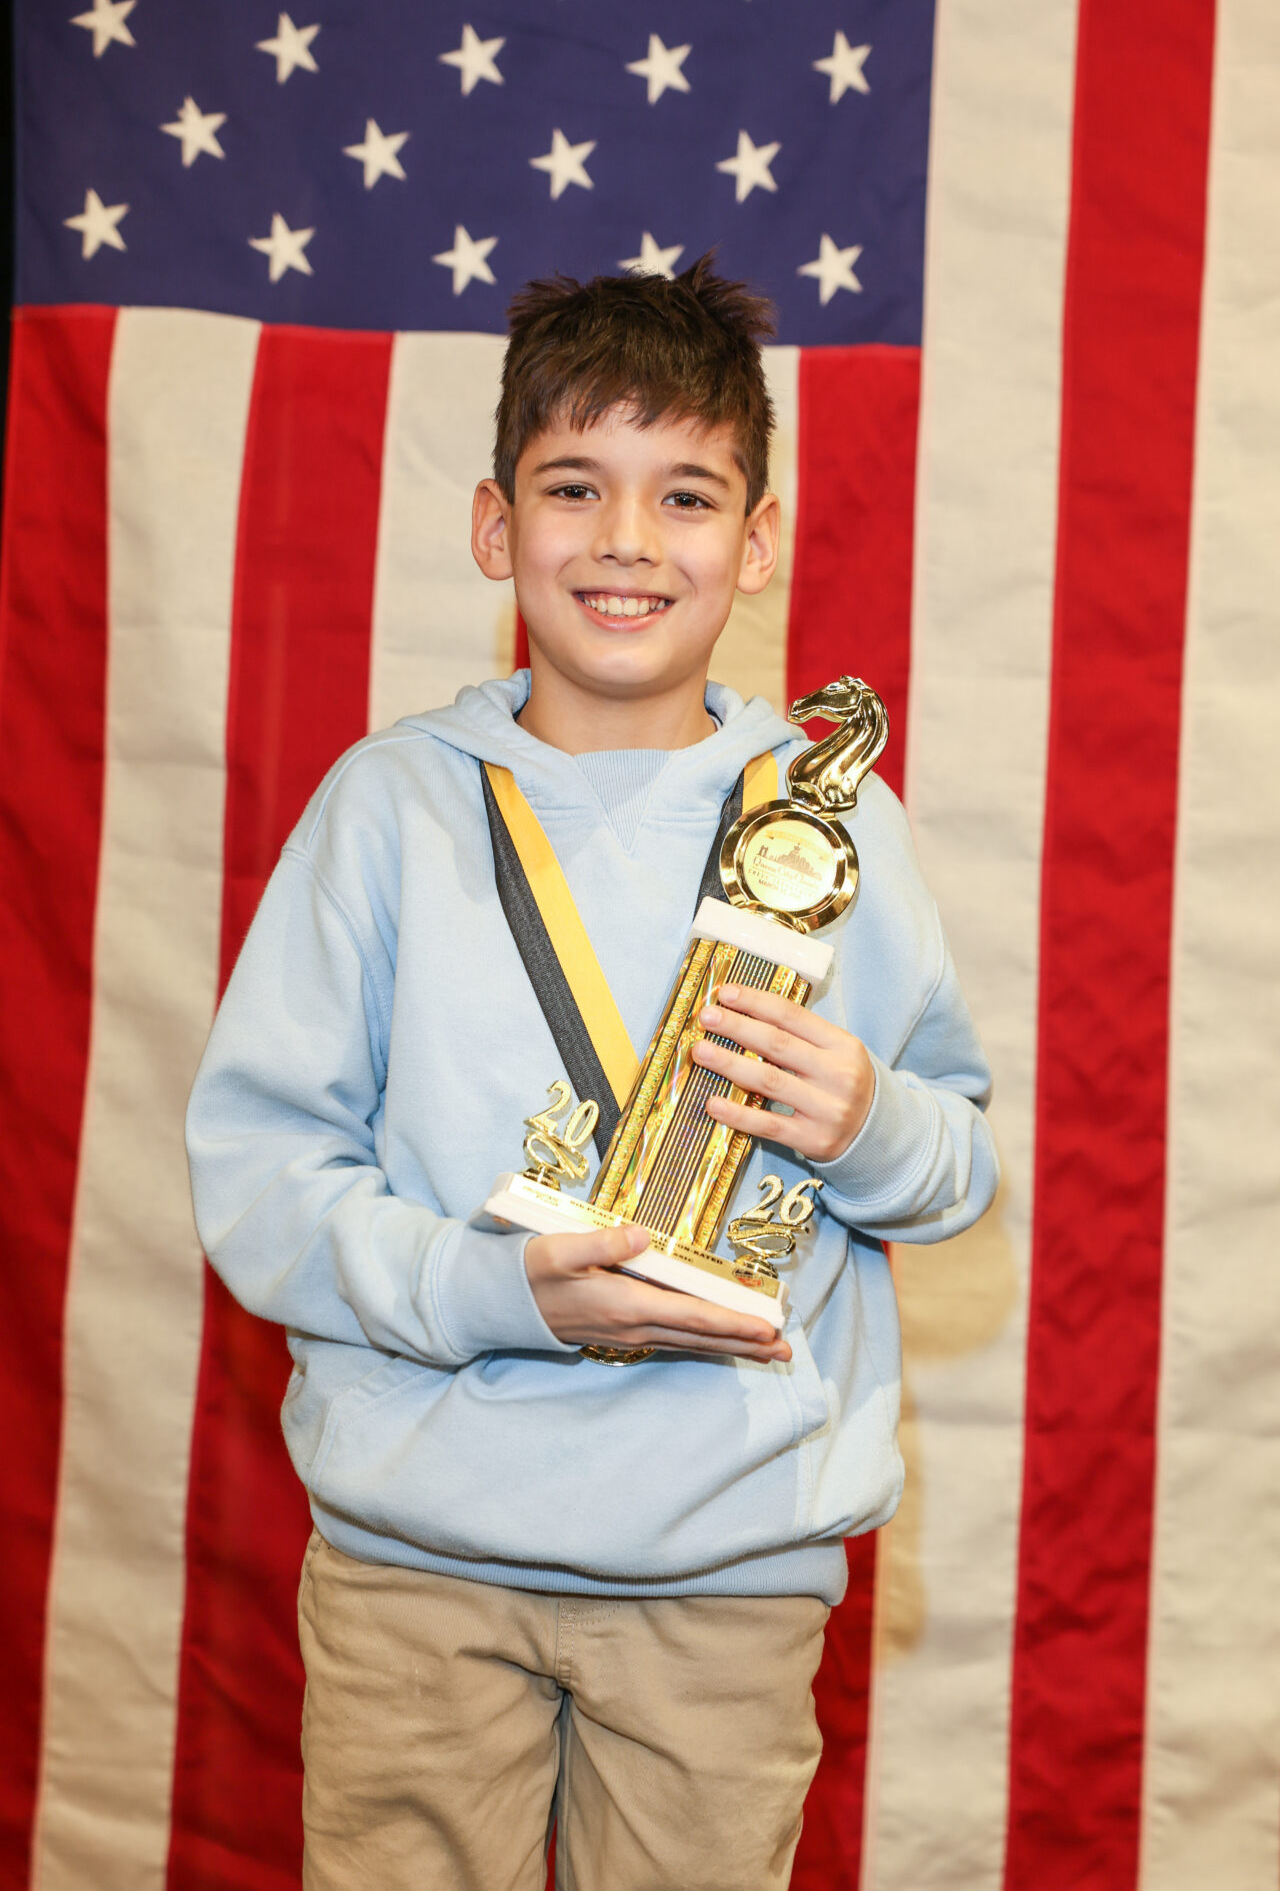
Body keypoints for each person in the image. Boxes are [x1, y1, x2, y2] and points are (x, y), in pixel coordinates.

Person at [186, 257, 998, 1891]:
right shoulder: (389, 807)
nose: (627, 538)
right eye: (575, 487)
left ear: (755, 542)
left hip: (729, 1563)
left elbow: (958, 1162)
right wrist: (497, 1292)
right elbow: (263, 1180)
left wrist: (868, 1123)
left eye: (686, 494)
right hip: (421, 1559)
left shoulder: (834, 819)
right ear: (497, 528)